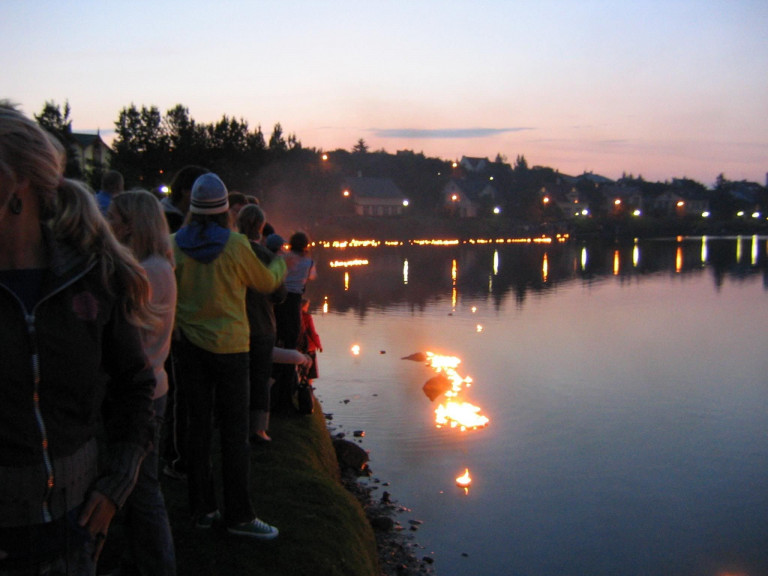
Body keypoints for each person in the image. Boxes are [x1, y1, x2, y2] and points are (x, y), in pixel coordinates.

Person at [0, 102, 155, 575]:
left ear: (17, 183)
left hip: (74, 531)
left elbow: (134, 387)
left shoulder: (92, 277)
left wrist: (116, 486)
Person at [172, 172, 286, 539]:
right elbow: (266, 282)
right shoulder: (236, 245)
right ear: (226, 211)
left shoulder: (174, 244)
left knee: (198, 429)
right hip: (232, 349)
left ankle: (202, 510)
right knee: (235, 434)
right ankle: (239, 516)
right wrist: (280, 261)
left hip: (190, 348)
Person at [106, 190, 177, 576]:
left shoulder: (146, 271)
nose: (108, 222)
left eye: (114, 216)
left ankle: (157, 565)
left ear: (132, 224)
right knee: (141, 486)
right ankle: (141, 560)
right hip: (155, 382)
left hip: (142, 389)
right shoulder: (158, 264)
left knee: (144, 488)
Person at [236, 204, 286, 443]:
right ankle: (258, 429)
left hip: (234, 324)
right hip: (262, 325)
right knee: (260, 378)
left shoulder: (230, 253)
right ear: (261, 227)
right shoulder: (267, 257)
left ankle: (233, 423)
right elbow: (280, 295)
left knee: (236, 377)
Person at [161, 165, 208, 233]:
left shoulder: (202, 218)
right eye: (201, 190)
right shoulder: (164, 221)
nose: (207, 196)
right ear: (185, 191)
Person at [298, 298, 323, 383]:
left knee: (300, 371)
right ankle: (308, 387)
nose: (307, 308)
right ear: (304, 306)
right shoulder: (307, 317)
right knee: (310, 373)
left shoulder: (294, 315)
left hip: (298, 347)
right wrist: (319, 345)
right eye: (307, 306)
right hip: (309, 347)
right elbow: (312, 332)